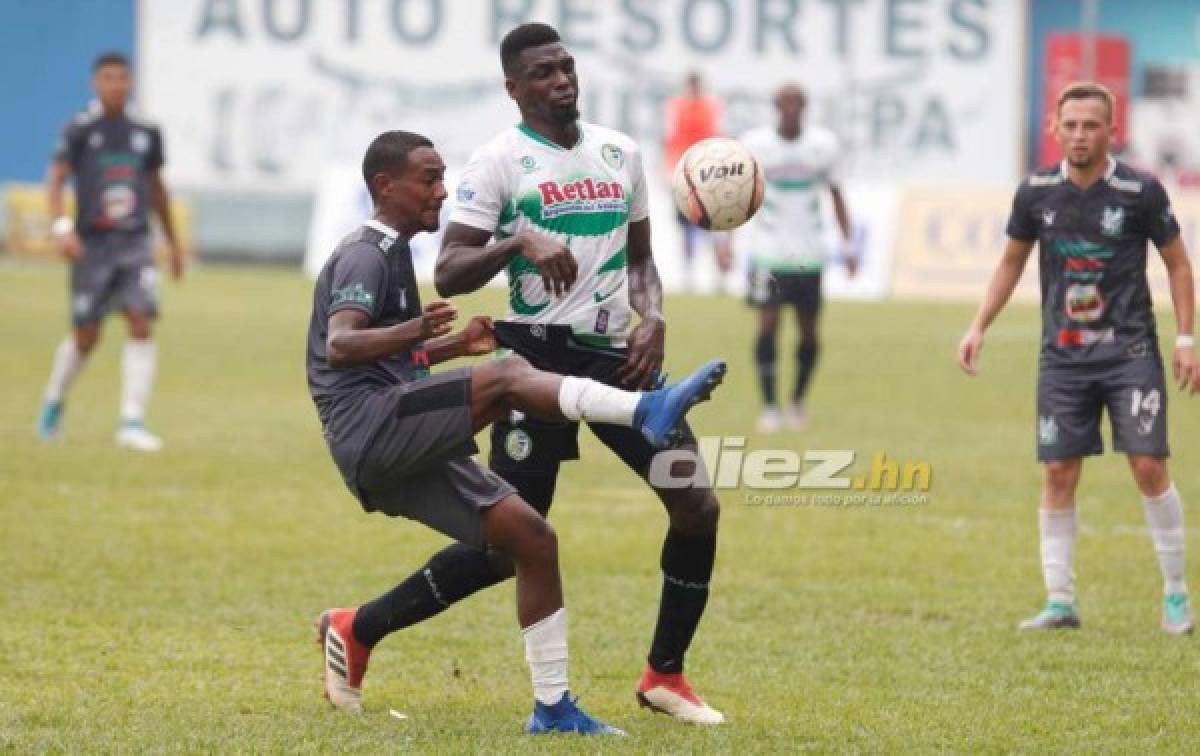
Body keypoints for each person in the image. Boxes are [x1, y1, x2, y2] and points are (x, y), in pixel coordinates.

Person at [350, 23, 728, 726]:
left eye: (567, 67)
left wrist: (654, 318)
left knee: (697, 504)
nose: (562, 81)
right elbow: (451, 268)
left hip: (621, 358)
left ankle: (665, 675)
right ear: (514, 88)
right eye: (545, 73)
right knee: (510, 544)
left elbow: (642, 259)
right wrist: (517, 239)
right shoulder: (498, 162)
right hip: (533, 363)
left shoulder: (622, 153)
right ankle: (360, 628)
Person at [958, 82, 1200, 634]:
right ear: (1055, 128)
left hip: (1130, 352)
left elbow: (1179, 264)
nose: (1079, 135)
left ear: (1110, 130)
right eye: (1070, 125)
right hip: (1063, 359)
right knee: (1060, 472)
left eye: (1091, 125)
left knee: (1148, 466)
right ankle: (1060, 600)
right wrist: (978, 326)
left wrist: (1185, 339)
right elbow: (1010, 264)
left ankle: (1176, 594)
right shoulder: (1036, 192)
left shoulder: (1140, 191)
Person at [37, 51, 184, 451]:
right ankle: (53, 402)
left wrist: (172, 242)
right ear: (95, 84)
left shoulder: (146, 130)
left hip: (135, 241)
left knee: (140, 321)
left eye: (122, 78)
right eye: (108, 78)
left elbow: (156, 188)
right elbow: (55, 180)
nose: (116, 85)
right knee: (87, 334)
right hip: (93, 244)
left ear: (130, 82)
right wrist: (61, 227)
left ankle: (132, 421)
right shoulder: (80, 129)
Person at [738, 84, 856, 433]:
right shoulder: (755, 145)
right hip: (767, 251)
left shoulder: (823, 146)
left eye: (797, 103)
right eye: (784, 103)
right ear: (776, 106)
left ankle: (798, 400)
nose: (790, 108)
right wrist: (726, 241)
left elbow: (837, 196)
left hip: (809, 256)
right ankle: (770, 406)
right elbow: (736, 195)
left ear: (804, 106)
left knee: (808, 333)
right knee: (767, 326)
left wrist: (848, 247)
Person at [663, 71, 730, 291]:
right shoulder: (676, 107)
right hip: (683, 173)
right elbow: (669, 138)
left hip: (708, 172)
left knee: (714, 224)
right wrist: (668, 171)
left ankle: (719, 276)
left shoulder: (712, 107)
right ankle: (688, 272)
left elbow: (720, 136)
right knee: (687, 226)